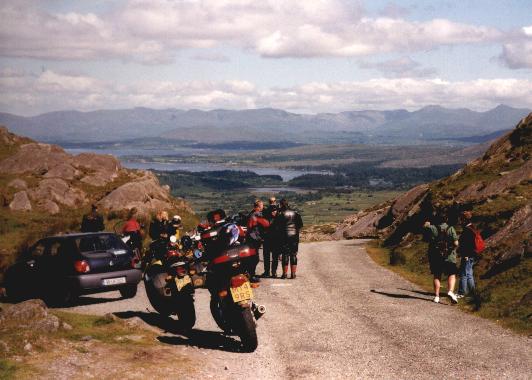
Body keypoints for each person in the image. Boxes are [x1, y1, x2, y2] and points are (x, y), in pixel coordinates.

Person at [423, 214, 459, 303]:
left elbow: (424, 228)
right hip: (449, 256)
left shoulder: (432, 228)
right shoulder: (451, 228)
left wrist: (427, 223)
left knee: (437, 275)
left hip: (436, 256)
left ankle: (436, 296)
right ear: (446, 219)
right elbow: (456, 243)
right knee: (451, 274)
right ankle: (450, 291)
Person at [275, 199, 303, 279]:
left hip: (284, 236)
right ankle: (293, 274)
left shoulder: (280, 214)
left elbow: (277, 227)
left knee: (285, 254)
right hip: (294, 236)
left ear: (281, 205)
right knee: (293, 254)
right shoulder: (296, 213)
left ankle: (284, 274)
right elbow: (300, 225)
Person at [246, 200, 270, 283]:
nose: (263, 207)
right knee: (254, 258)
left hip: (252, 237)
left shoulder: (252, 213)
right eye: (262, 205)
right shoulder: (256, 215)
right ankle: (251, 275)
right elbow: (265, 224)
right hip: (254, 238)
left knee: (253, 257)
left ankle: (251, 274)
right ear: (258, 207)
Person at [457, 211, 478, 298]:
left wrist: (465, 255)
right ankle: (472, 292)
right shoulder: (472, 228)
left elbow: (467, 244)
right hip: (472, 255)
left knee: (464, 273)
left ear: (464, 219)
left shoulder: (467, 230)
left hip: (467, 255)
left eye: (461, 219)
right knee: (469, 274)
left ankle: (461, 292)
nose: (460, 221)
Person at [260, 197, 278, 278]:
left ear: (269, 201)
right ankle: (274, 272)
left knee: (266, 255)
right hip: (275, 236)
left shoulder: (265, 211)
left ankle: (267, 272)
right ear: (275, 202)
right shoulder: (278, 210)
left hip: (267, 235)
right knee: (275, 256)